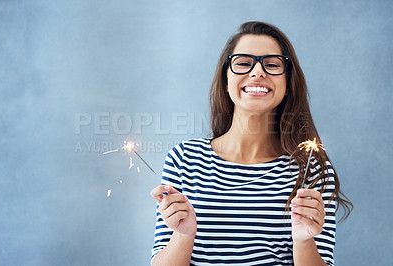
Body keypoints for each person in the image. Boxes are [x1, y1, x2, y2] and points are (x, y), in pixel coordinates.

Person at [150, 21, 352, 266]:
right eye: (244, 63)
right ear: (226, 80)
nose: (257, 72)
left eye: (272, 65)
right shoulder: (184, 159)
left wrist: (302, 240)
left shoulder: (313, 169)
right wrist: (183, 235)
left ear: (288, 84)